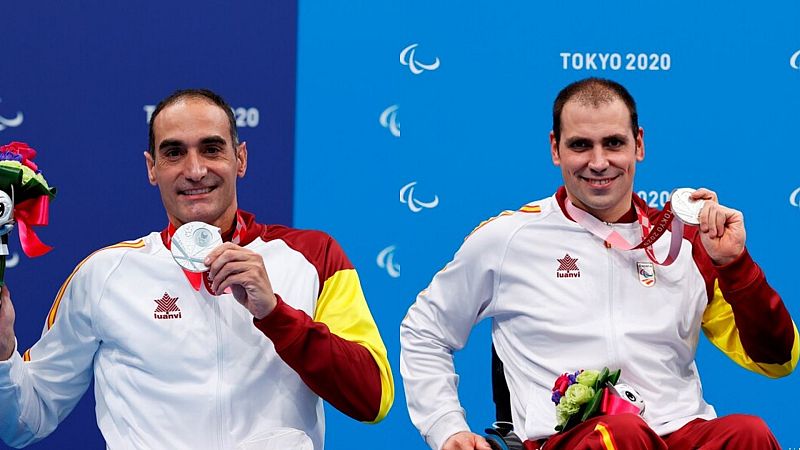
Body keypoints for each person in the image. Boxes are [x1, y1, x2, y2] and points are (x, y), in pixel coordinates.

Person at [400, 77, 797, 450]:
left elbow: (777, 360)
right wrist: (446, 426)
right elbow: (425, 330)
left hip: (678, 432)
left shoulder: (685, 243)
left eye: (613, 143)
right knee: (621, 435)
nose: (599, 161)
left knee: (749, 433)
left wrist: (735, 265)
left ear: (638, 145)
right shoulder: (508, 239)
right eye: (580, 146)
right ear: (555, 149)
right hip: (571, 438)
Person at [0, 88, 394, 449]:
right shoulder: (105, 275)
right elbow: (23, 422)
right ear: (151, 168)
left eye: (211, 149)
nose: (195, 170)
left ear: (240, 158)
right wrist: (3, 356)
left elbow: (371, 397)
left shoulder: (313, 256)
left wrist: (276, 314)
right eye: (174, 153)